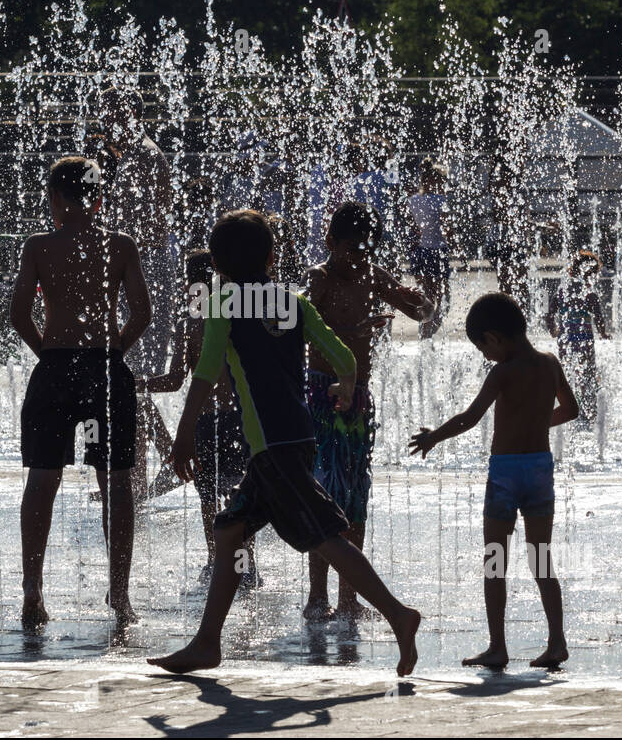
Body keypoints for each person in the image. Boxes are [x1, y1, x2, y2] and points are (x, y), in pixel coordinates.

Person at [148, 209, 421, 676]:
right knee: (231, 529)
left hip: (273, 445)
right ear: (273, 256)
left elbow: (205, 373)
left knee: (324, 537)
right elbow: (339, 354)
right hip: (293, 436)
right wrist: (347, 387)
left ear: (216, 263)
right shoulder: (293, 301)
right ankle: (207, 643)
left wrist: (184, 435)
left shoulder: (221, 303)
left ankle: (399, 615)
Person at [10, 156, 150, 630]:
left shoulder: (39, 246)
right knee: (114, 482)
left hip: (55, 368)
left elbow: (18, 314)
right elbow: (142, 314)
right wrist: (111, 350)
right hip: (104, 371)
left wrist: (48, 351)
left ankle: (33, 590)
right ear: (99, 198)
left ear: (54, 199)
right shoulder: (120, 245)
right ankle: (121, 595)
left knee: (42, 479)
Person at [410, 292, 578, 670]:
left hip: (505, 474)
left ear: (495, 337)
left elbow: (470, 418)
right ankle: (557, 642)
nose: (484, 355)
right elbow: (571, 409)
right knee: (541, 560)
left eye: (482, 346)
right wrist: (536, 423)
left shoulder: (502, 372)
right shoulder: (550, 364)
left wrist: (433, 437)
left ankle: (498, 646)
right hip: (539, 470)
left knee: (494, 562)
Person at [304, 202, 434, 620]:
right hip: (323, 397)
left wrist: (422, 302)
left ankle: (348, 598)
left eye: (366, 249)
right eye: (351, 249)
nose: (358, 257)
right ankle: (317, 596)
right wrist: (352, 332)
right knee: (323, 494)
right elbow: (295, 324)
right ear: (330, 242)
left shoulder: (371, 274)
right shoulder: (319, 279)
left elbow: (420, 311)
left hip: (357, 400)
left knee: (355, 495)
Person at [141, 250, 259, 587]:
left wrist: (133, 383)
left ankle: (215, 561)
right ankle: (246, 563)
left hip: (205, 423)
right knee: (241, 493)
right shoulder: (240, 315)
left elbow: (175, 380)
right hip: (241, 419)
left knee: (208, 496)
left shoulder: (189, 324)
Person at [87, 88, 178, 503]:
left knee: (131, 379)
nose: (103, 120)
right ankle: (140, 478)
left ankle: (144, 478)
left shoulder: (142, 156)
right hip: (136, 270)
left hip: (145, 273)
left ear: (130, 114)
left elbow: (146, 225)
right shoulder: (125, 156)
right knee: (126, 379)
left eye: (110, 112)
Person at [545, 251, 610, 423]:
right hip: (585, 340)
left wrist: (553, 330)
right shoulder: (590, 293)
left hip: (565, 341)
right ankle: (587, 410)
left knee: (566, 374)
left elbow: (550, 313)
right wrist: (603, 333)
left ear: (571, 272)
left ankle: (569, 406)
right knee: (587, 374)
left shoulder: (562, 291)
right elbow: (598, 317)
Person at [404, 158, 452, 339]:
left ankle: (424, 336)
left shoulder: (412, 201)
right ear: (434, 181)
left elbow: (412, 230)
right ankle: (427, 336)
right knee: (445, 300)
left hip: (418, 254)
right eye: (442, 181)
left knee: (426, 301)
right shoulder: (441, 201)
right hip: (436, 252)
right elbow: (448, 230)